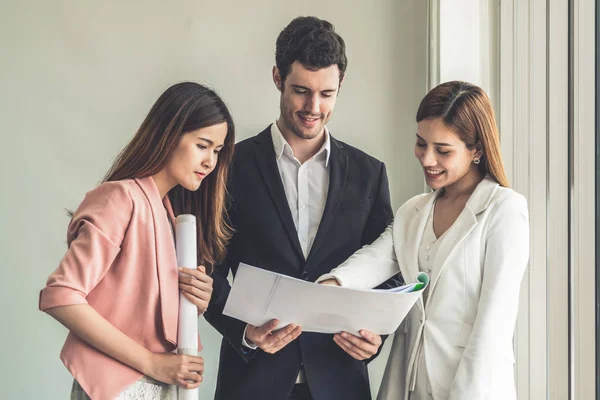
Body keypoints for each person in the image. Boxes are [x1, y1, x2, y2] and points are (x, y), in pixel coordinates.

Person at [203, 16, 396, 400]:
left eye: (327, 94)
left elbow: (389, 269)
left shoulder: (368, 173)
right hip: (252, 381)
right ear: (277, 78)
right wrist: (244, 331)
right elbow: (207, 270)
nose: (313, 107)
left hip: (341, 380)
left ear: (340, 86)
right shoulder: (228, 166)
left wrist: (377, 336)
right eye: (301, 91)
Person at [319, 81, 529, 400]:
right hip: (409, 383)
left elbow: (493, 324)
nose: (427, 159)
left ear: (477, 150)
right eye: (421, 144)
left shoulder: (504, 210)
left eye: (443, 150)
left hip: (471, 386)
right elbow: (375, 259)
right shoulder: (413, 211)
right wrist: (331, 286)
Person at [38, 82, 235, 400]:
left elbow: (141, 308)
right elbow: (61, 296)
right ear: (170, 134)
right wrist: (153, 364)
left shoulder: (169, 214)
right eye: (203, 145)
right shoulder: (121, 198)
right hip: (121, 387)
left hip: (159, 386)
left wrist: (195, 301)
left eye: (217, 151)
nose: (210, 162)